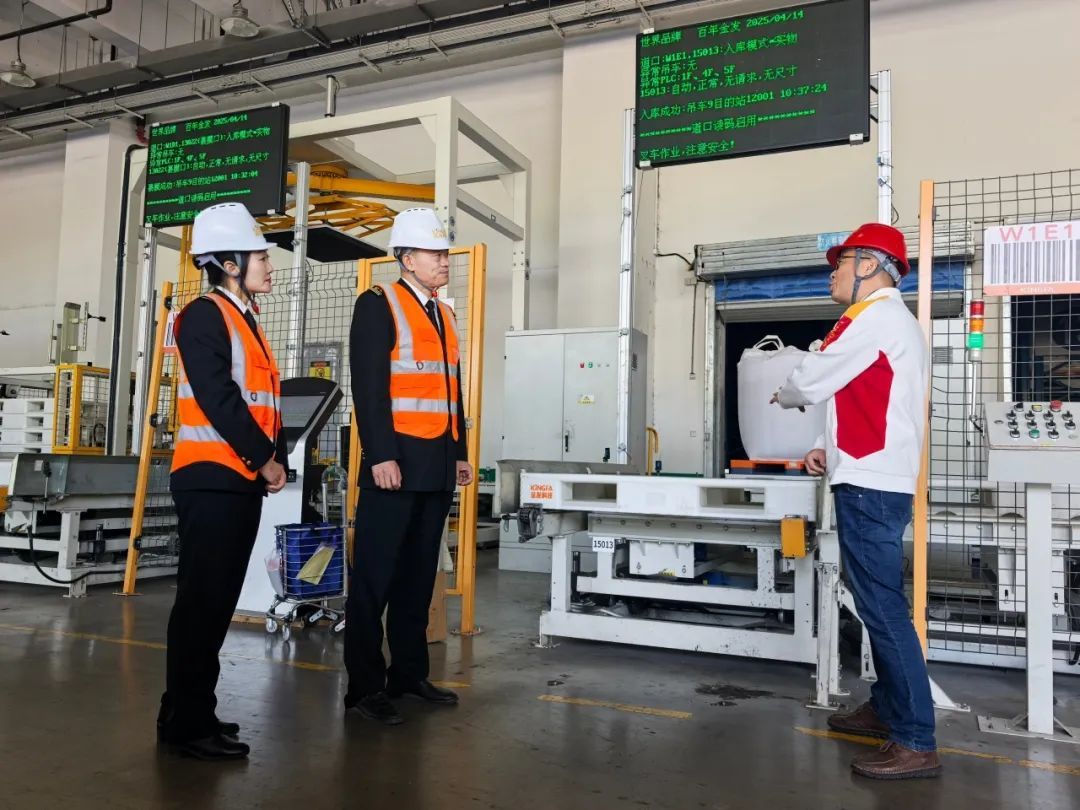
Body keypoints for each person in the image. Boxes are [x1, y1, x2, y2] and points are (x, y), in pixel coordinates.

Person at [771, 223, 939, 780]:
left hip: (870, 485)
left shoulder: (872, 317)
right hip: (872, 476)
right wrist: (828, 447)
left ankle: (915, 740)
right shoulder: (893, 323)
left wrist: (785, 391)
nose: (833, 275)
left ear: (868, 265)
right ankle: (888, 709)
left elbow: (812, 379)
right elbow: (866, 397)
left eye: (840, 264)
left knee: (883, 609)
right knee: (877, 604)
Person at [157, 202, 287, 761]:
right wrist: (265, 459)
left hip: (235, 479)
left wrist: (272, 458)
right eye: (261, 256)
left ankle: (189, 712)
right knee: (202, 605)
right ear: (229, 264)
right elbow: (219, 398)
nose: (269, 265)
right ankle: (188, 727)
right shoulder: (204, 315)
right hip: (212, 477)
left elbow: (262, 399)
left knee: (213, 604)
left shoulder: (244, 318)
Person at [344, 207, 473, 725]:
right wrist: (380, 455)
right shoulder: (378, 304)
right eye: (434, 253)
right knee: (374, 579)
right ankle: (363, 688)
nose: (444, 261)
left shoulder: (445, 314)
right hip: (393, 466)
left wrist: (459, 453)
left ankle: (408, 674)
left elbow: (450, 390)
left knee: (419, 579)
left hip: (436, 464)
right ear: (405, 258)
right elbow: (369, 388)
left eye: (445, 253)